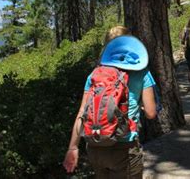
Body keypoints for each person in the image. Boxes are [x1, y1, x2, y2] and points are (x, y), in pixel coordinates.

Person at [63, 26, 157, 178]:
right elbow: (151, 113)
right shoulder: (142, 73)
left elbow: (82, 113)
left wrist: (73, 147)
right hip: (125, 148)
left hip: (96, 145)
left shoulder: (95, 74)